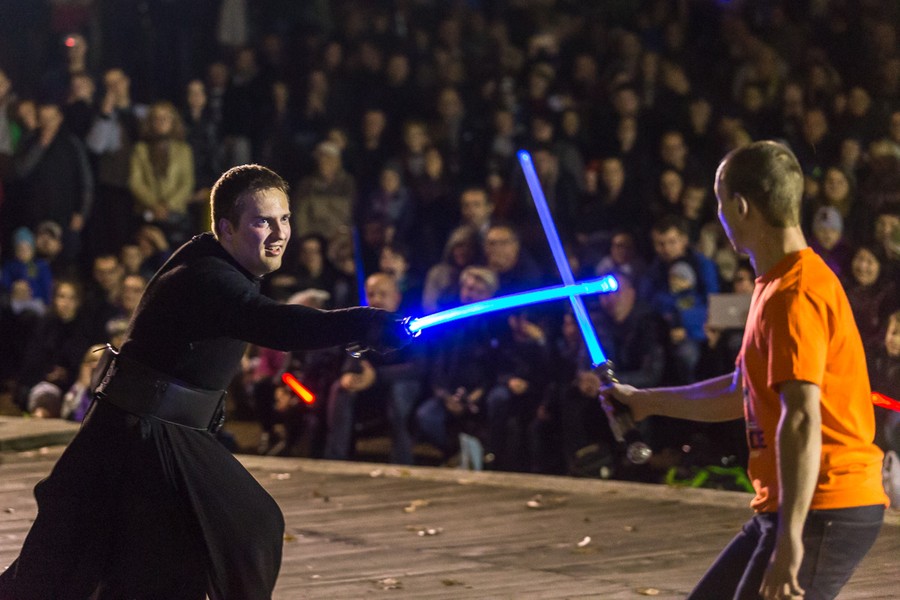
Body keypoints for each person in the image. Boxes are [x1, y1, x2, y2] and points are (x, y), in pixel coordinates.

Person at [0, 164, 411, 599]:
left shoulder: (215, 264)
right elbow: (275, 324)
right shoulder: (206, 278)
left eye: (285, 219)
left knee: (157, 570)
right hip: (137, 440)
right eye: (262, 221)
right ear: (226, 228)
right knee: (246, 528)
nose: (279, 233)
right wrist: (365, 324)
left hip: (163, 437)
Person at [604, 141, 886, 600]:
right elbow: (741, 392)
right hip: (791, 506)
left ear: (740, 206)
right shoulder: (773, 284)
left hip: (825, 505)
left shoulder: (795, 293)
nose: (718, 215)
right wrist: (644, 402)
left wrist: (791, 539)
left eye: (719, 204)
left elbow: (800, 417)